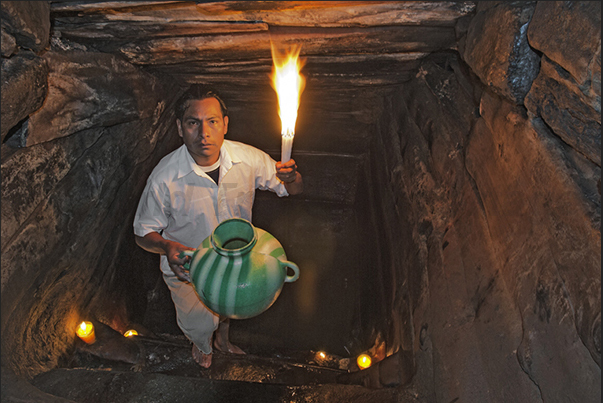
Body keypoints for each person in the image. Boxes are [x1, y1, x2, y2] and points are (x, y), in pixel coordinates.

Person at [133, 84, 303, 368]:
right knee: (200, 324)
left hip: (234, 258)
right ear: (179, 127)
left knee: (227, 308)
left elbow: (293, 190)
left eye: (212, 121)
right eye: (193, 123)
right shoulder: (164, 177)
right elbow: (142, 234)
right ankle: (202, 343)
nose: (204, 133)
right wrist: (165, 245)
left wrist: (292, 177)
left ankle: (222, 340)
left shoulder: (248, 158)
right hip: (189, 267)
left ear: (225, 124)